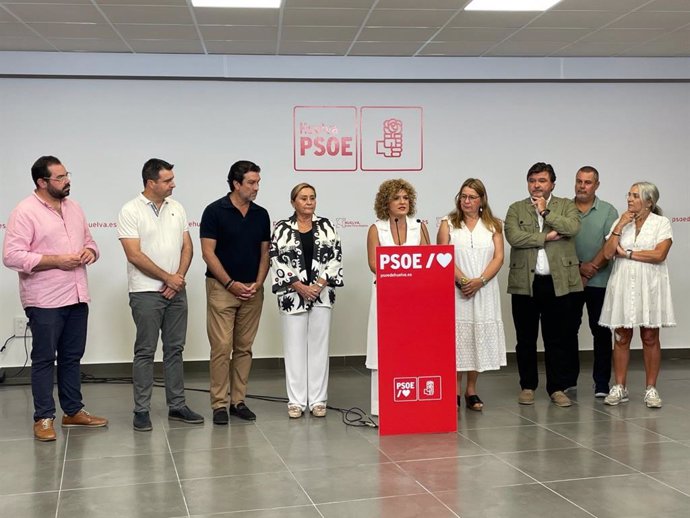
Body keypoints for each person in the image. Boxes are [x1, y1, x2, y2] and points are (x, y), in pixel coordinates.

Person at [2, 156, 108, 441]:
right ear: (42, 182)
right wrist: (55, 260)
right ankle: (44, 417)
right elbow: (11, 256)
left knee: (72, 357)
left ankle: (73, 411)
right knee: (44, 358)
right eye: (59, 178)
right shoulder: (24, 211)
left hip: (76, 294)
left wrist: (90, 252)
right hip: (44, 298)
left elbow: (91, 242)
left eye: (67, 175)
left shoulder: (74, 208)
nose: (67, 181)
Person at [117, 158, 204, 431]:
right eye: (167, 180)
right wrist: (168, 278)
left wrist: (177, 279)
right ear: (151, 182)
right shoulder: (130, 210)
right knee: (145, 351)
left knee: (175, 350)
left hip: (175, 291)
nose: (173, 184)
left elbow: (187, 247)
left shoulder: (176, 207)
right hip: (145, 292)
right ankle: (141, 410)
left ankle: (176, 405)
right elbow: (134, 254)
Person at [505, 162, 582, 408]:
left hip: (557, 284)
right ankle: (527, 386)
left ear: (552, 184)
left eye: (542, 181)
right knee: (525, 338)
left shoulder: (565, 206)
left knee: (556, 339)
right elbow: (514, 237)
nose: (536, 185)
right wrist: (546, 237)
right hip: (525, 283)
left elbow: (572, 227)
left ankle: (556, 388)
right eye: (532, 180)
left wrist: (546, 213)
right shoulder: (516, 208)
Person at [200, 160, 270, 424]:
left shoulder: (261, 214)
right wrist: (230, 283)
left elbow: (265, 253)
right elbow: (208, 253)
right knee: (221, 347)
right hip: (221, 288)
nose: (256, 187)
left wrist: (258, 283)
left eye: (258, 182)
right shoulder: (214, 211)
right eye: (251, 183)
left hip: (253, 290)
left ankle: (237, 401)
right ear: (236, 183)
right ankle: (219, 403)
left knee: (244, 348)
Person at [269, 183, 344, 418]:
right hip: (293, 295)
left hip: (321, 295)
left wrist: (318, 285)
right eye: (303, 198)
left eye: (312, 197)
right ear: (293, 202)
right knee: (294, 349)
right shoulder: (281, 228)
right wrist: (299, 286)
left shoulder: (327, 226)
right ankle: (296, 402)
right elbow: (275, 259)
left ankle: (318, 401)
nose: (309, 202)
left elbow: (336, 257)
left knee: (319, 349)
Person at [599, 182, 674, 408]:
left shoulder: (661, 223)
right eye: (629, 195)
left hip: (650, 284)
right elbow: (607, 253)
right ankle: (620, 386)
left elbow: (659, 254)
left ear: (649, 201)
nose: (629, 199)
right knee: (621, 335)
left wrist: (629, 254)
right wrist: (619, 226)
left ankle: (651, 388)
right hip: (623, 284)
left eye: (635, 196)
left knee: (650, 336)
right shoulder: (621, 222)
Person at [436, 178, 506, 411]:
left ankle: (471, 390)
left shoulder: (495, 225)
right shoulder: (448, 223)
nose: (466, 201)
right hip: (457, 291)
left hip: (484, 290)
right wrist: (464, 281)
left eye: (471, 197)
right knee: (458, 341)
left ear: (481, 200)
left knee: (478, 339)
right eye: (463, 196)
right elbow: (443, 256)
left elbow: (498, 257)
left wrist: (480, 281)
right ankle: (454, 391)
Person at [365, 179, 430, 416]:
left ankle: (412, 399)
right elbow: (374, 264)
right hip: (386, 297)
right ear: (386, 203)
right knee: (383, 349)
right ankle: (380, 405)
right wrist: (401, 270)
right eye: (397, 198)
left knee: (412, 348)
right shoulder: (376, 228)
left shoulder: (419, 226)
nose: (403, 202)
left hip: (414, 298)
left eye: (406, 198)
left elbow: (427, 261)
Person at [571, 166, 618, 398]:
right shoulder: (563, 209)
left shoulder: (608, 211)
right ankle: (568, 380)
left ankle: (601, 383)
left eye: (587, 182)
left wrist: (590, 269)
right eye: (579, 181)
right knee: (568, 331)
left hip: (599, 281)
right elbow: (559, 244)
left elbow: (610, 246)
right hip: (570, 280)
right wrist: (579, 267)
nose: (582, 186)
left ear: (596, 185)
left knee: (600, 333)